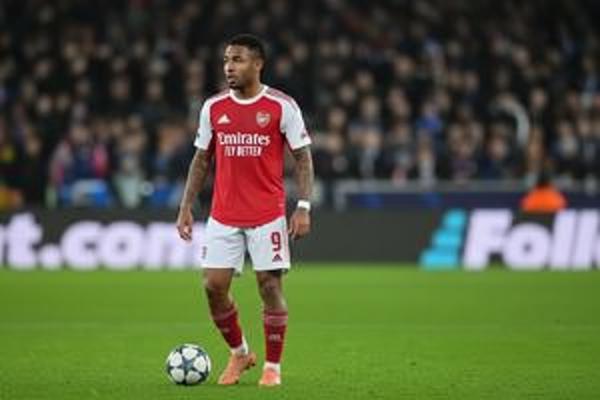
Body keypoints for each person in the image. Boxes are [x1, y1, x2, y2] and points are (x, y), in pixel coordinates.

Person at [176, 34, 314, 387]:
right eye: (226, 60)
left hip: (267, 214)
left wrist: (303, 206)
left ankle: (273, 367)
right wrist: (186, 206)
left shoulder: (282, 106)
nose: (229, 67)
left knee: (269, 286)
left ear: (257, 64)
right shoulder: (213, 108)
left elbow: (303, 158)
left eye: (237, 59)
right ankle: (240, 353)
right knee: (213, 286)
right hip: (223, 213)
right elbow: (201, 159)